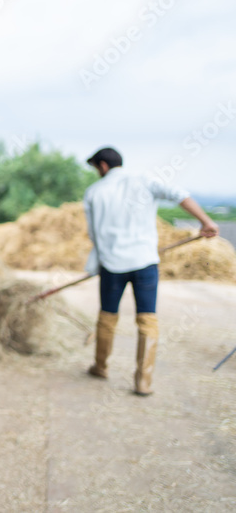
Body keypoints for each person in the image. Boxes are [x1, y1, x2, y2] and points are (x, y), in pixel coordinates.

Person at [83, 146, 219, 395]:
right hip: (145, 262)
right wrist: (206, 222)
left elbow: (93, 234)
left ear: (102, 166)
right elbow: (179, 194)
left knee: (107, 316)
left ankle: (101, 366)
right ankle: (143, 381)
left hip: (112, 264)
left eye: (95, 168)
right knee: (147, 318)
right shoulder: (144, 181)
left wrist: (98, 261)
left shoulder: (94, 192)